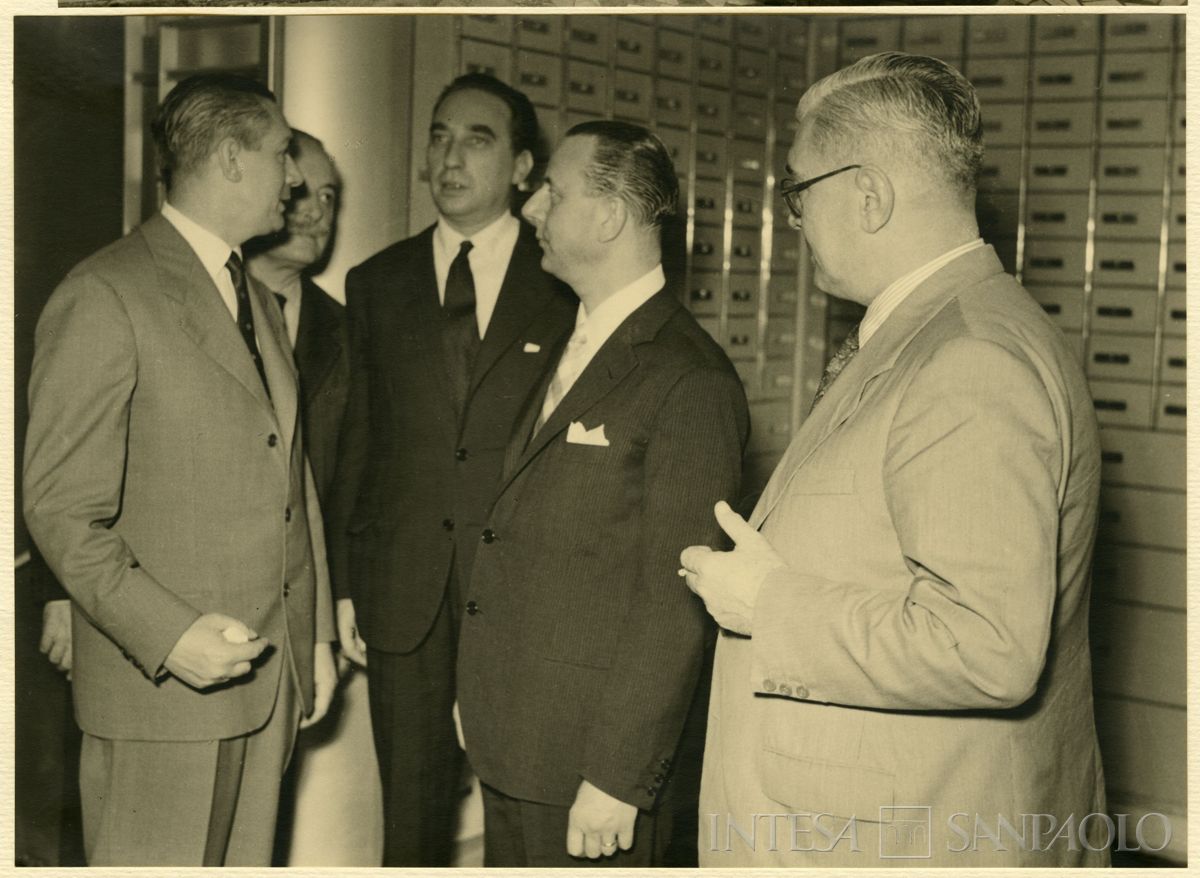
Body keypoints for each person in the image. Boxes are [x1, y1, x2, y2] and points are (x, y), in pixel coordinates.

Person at [681, 52, 1106, 867]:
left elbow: (986, 647)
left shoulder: (970, 361)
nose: (796, 220)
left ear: (868, 195)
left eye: (799, 192)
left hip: (903, 836)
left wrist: (767, 602)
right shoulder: (946, 329)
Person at [22, 73, 337, 866]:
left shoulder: (253, 296)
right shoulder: (105, 293)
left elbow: (289, 482)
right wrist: (169, 637)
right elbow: (59, 508)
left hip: (269, 686)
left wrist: (316, 637)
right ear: (231, 160)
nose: (294, 179)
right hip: (163, 696)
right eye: (280, 156)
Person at [456, 120, 749, 868]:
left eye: (552, 192)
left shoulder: (690, 379)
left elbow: (673, 597)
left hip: (592, 768)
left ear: (612, 215)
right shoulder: (574, 340)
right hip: (518, 740)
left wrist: (618, 776)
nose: (529, 209)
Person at [327, 73, 576, 866]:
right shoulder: (377, 283)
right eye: (439, 135)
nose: (450, 155)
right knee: (410, 817)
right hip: (405, 591)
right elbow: (356, 442)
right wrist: (343, 582)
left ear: (523, 168)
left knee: (526, 807)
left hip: (522, 589)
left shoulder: (563, 280)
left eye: (477, 138)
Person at [244, 130, 384, 866]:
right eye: (302, 190)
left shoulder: (343, 329)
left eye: (330, 198)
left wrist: (337, 605)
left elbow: (354, 478)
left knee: (266, 819)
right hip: (183, 607)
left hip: (297, 609)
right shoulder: (193, 300)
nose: (315, 212)